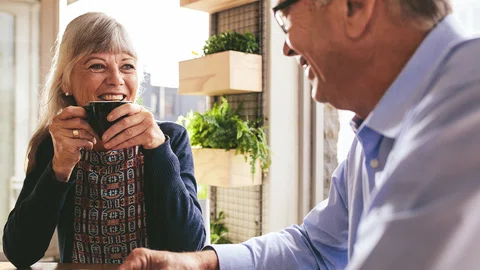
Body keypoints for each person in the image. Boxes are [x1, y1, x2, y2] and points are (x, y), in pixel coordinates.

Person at [119, 0, 480, 269]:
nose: (286, 47)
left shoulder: (467, 112)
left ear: (356, 7)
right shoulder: (375, 133)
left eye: (284, 16)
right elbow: (316, 247)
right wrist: (201, 263)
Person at [2, 12, 206, 268]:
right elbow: (20, 253)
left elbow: (191, 247)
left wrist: (157, 149)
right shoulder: (54, 145)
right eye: (97, 65)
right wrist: (60, 167)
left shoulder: (170, 139)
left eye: (127, 66)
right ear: (66, 82)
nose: (116, 79)